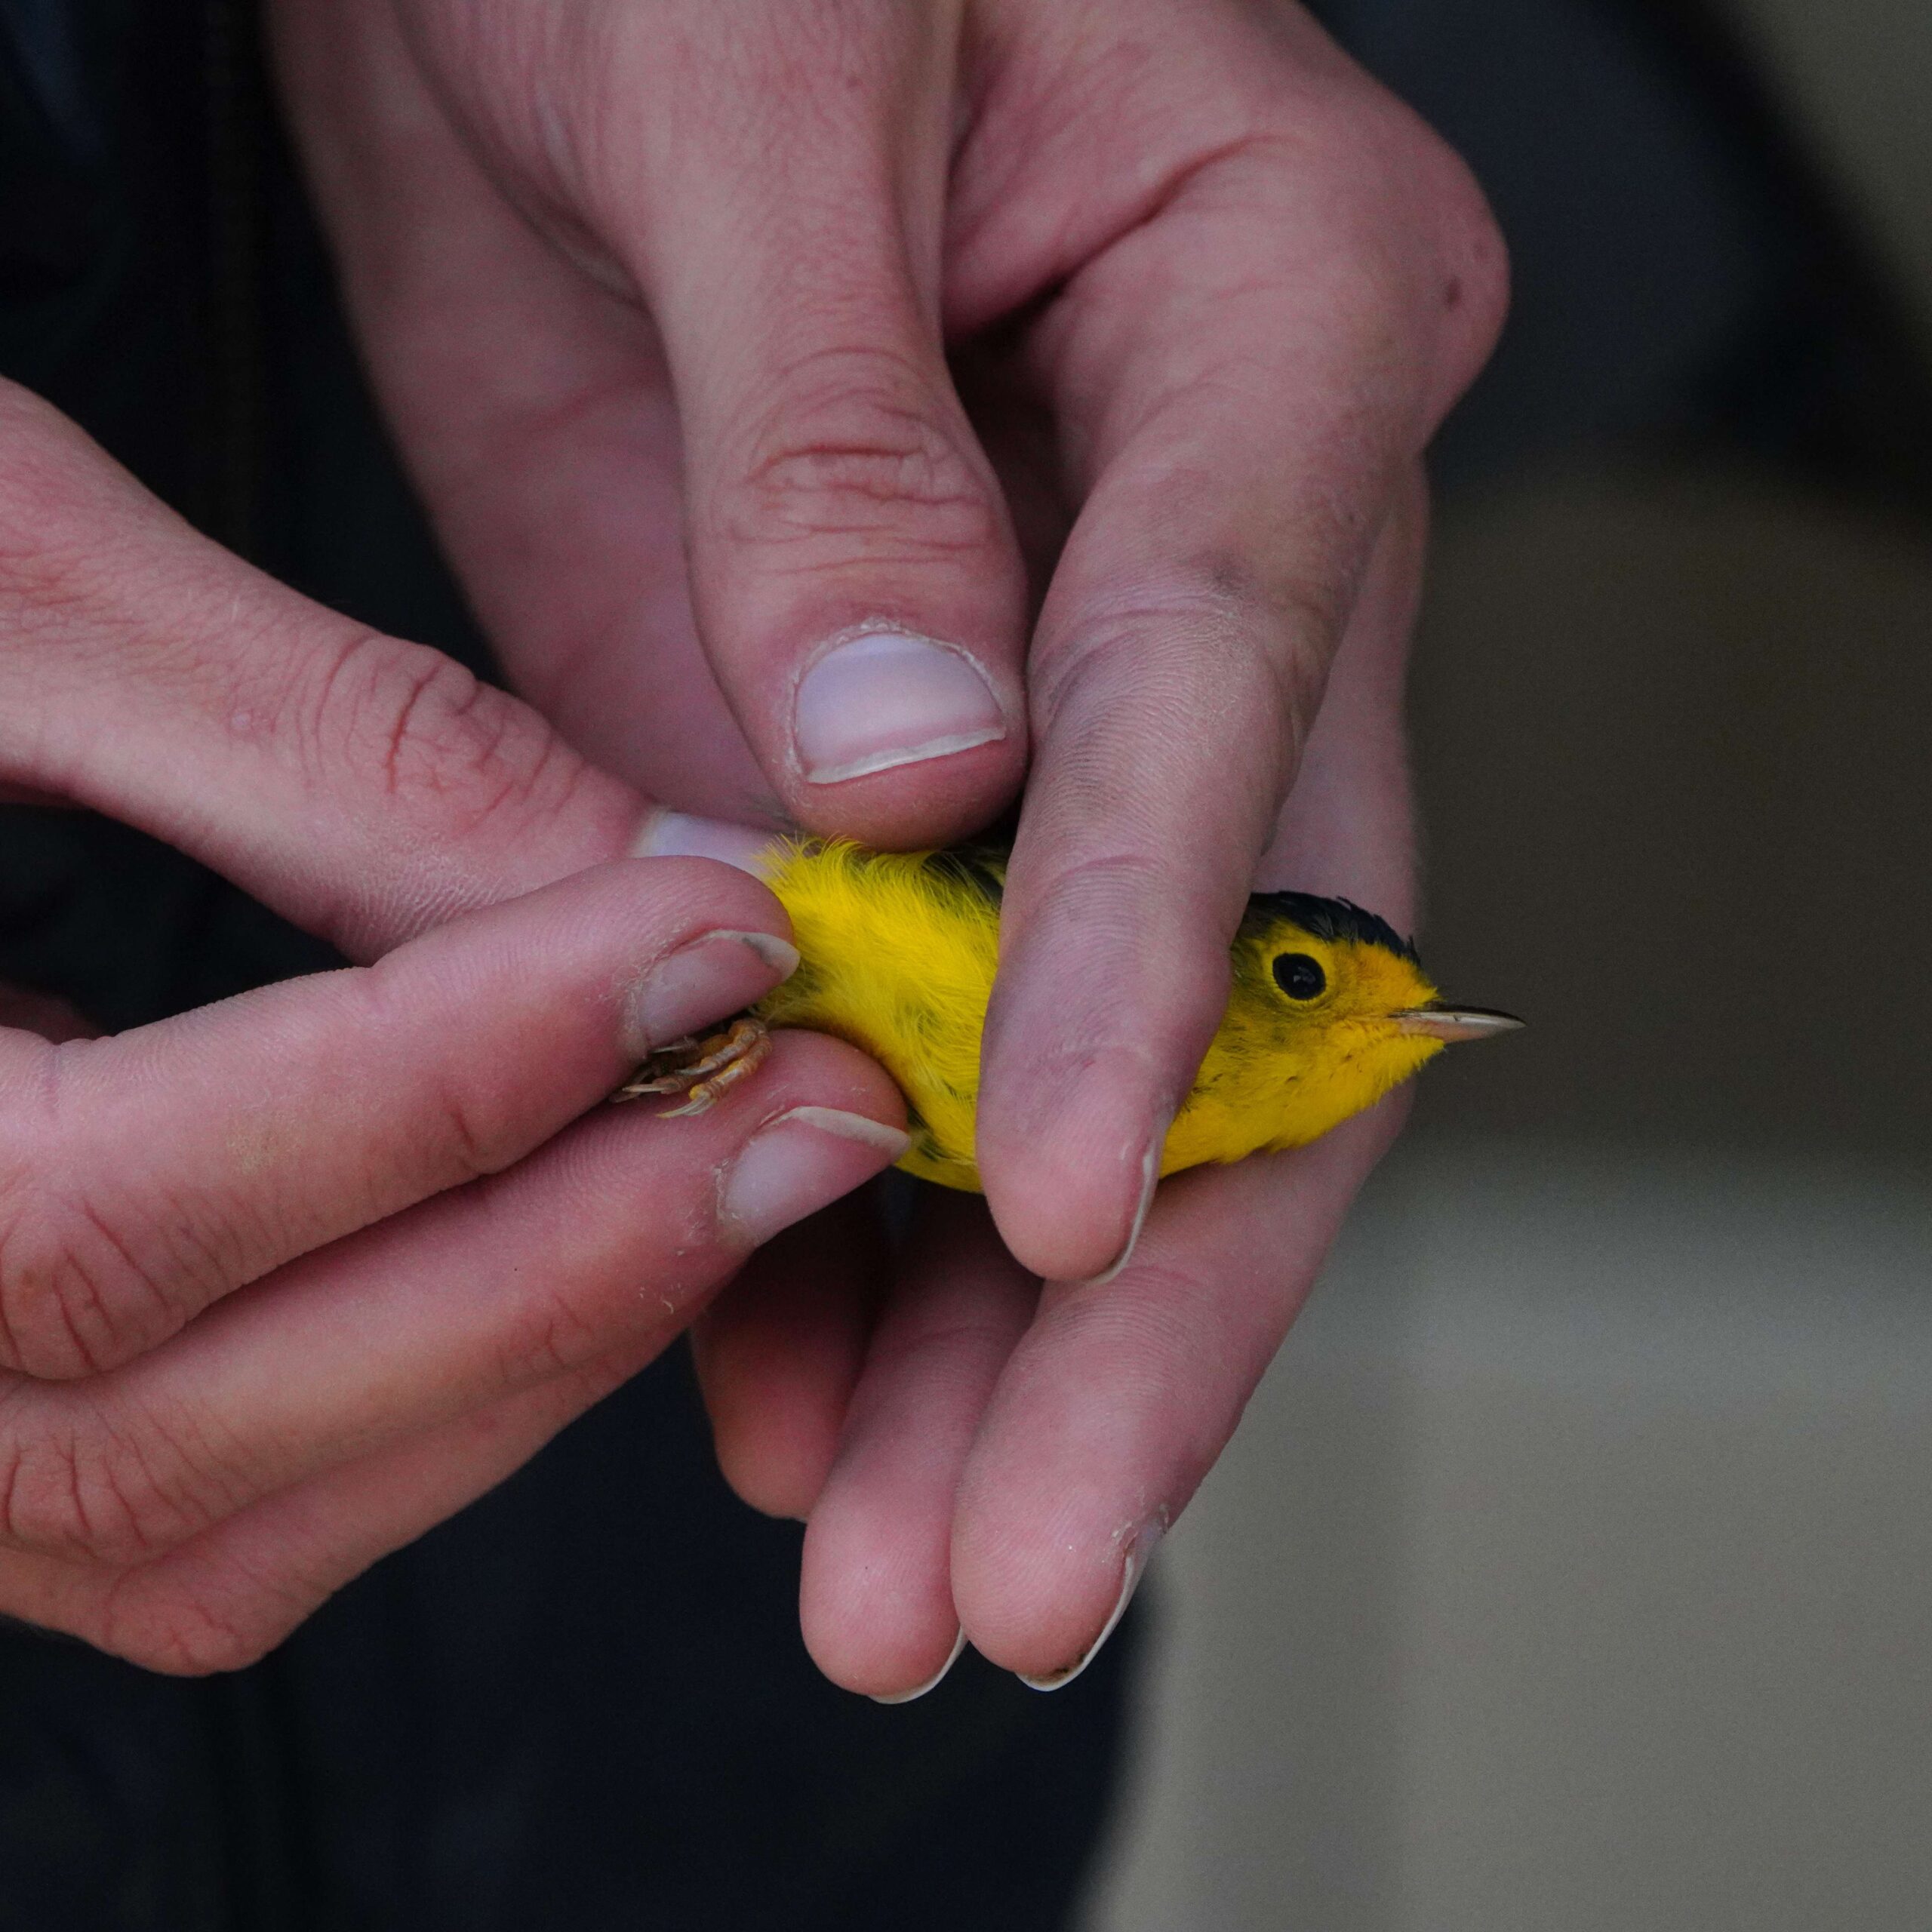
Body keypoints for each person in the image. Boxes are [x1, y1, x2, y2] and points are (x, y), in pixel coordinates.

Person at [0, 0, 1501, 1921]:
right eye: (1304, 981)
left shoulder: (1180, 1122)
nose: (1362, 1021)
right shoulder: (1101, 998)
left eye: (1370, 1011)